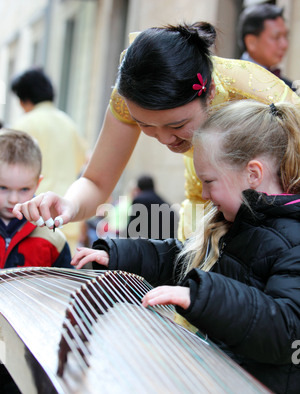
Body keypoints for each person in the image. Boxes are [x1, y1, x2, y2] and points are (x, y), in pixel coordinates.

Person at [71, 100, 300, 394]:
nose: (204, 195)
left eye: (209, 182)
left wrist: (203, 295)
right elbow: (183, 259)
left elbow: (287, 330)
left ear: (253, 174)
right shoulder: (240, 222)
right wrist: (119, 253)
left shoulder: (293, 239)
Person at [12, 22, 300, 243]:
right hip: (196, 231)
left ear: (210, 93)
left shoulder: (260, 95)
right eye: (145, 125)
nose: (164, 139)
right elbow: (97, 181)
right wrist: (69, 204)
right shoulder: (131, 93)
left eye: (177, 126)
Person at [0, 128, 73, 394]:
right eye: (2, 187)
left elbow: (64, 299)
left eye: (23, 189)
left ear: (39, 185)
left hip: (27, 360)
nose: (13, 199)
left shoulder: (51, 239)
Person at [10, 67, 87, 253]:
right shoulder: (70, 125)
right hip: (68, 219)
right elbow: (84, 165)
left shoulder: (24, 125)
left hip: (33, 222)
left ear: (24, 99)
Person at [237, 3, 293, 88]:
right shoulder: (226, 81)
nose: (284, 44)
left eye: (285, 36)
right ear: (251, 42)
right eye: (276, 37)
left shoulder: (289, 88)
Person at [127, 175, 178, 239]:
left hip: (152, 242)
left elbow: (131, 229)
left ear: (138, 188)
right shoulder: (160, 199)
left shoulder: (139, 199)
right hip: (168, 241)